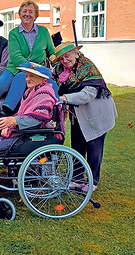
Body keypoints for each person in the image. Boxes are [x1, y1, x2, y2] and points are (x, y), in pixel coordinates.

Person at [0, 62, 62, 208]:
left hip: (36, 137)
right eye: (26, 76)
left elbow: (37, 117)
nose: (27, 79)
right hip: (27, 135)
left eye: (32, 76)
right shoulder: (32, 92)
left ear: (42, 78)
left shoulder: (45, 93)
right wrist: (11, 125)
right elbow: (23, 114)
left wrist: (13, 121)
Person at [51, 41, 117, 192]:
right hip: (78, 115)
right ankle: (77, 179)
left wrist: (64, 98)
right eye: (61, 58)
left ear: (76, 53)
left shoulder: (87, 67)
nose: (64, 60)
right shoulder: (61, 69)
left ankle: (93, 182)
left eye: (67, 56)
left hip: (96, 114)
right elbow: (49, 74)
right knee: (77, 146)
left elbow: (88, 95)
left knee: (94, 148)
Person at [0, 0, 55, 119]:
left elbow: (51, 51)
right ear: (20, 14)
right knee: (0, 85)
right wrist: (29, 67)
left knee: (20, 79)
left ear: (35, 16)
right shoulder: (14, 33)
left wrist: (55, 60)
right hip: (13, 67)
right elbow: (15, 56)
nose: (27, 14)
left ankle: (6, 110)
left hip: (35, 70)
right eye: (24, 11)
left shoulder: (44, 32)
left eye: (31, 11)